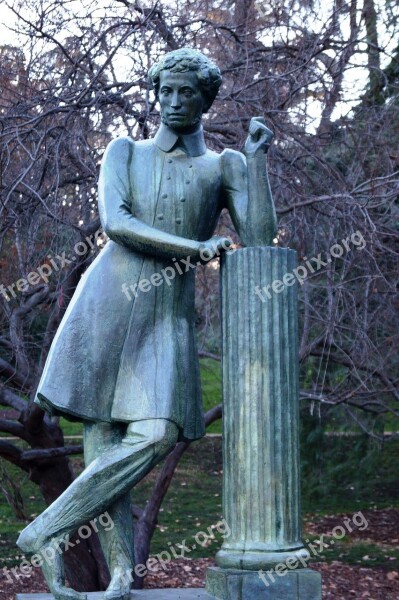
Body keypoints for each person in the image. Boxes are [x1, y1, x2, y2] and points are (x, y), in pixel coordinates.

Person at [17, 48, 277, 600]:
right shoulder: (124, 152)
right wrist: (198, 247)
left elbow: (258, 238)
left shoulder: (222, 164)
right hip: (106, 303)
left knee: (155, 433)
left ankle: (45, 530)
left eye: (187, 93)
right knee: (102, 441)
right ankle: (120, 578)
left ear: (205, 100)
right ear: (155, 94)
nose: (174, 103)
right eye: (166, 92)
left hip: (166, 317)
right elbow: (117, 223)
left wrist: (256, 164)